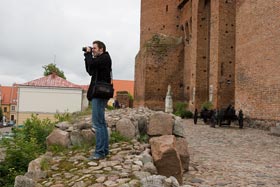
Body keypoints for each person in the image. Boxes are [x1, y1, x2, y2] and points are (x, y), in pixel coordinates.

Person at [84, 40, 112, 160]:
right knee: (101, 123)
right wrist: (87, 56)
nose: (93, 50)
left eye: (94, 48)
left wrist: (89, 54)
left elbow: (93, 63)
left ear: (101, 49)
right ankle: (104, 150)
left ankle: (99, 152)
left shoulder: (104, 58)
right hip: (99, 94)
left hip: (100, 94)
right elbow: (90, 70)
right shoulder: (100, 60)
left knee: (98, 124)